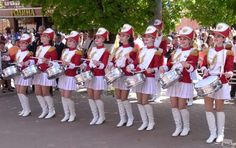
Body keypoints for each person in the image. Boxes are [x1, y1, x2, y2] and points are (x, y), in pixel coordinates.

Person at [160, 26, 199, 137]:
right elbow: (169, 64)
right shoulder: (176, 51)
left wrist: (187, 65)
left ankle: (186, 127)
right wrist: (164, 68)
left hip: (184, 81)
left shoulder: (194, 51)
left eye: (185, 39)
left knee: (182, 105)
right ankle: (178, 127)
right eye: (181, 39)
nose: (182, 41)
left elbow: (193, 67)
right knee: (173, 105)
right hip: (173, 81)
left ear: (190, 41)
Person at [201, 23, 234, 143]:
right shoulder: (208, 50)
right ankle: (212, 133)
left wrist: (229, 73)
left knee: (219, 108)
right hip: (208, 80)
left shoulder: (228, 52)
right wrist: (204, 69)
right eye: (215, 35)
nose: (216, 38)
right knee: (208, 108)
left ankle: (220, 133)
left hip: (220, 81)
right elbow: (204, 64)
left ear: (224, 38)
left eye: (219, 36)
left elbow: (230, 67)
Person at [127, 25, 163, 131]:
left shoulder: (158, 51)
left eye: (149, 36)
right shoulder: (141, 49)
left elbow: (158, 66)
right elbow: (136, 62)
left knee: (145, 101)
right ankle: (144, 122)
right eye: (145, 37)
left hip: (149, 78)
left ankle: (151, 122)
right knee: (139, 101)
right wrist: (131, 66)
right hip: (139, 77)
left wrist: (152, 70)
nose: (146, 39)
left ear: (154, 38)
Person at [109, 24, 137, 127]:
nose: (120, 37)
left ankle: (130, 117)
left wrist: (129, 60)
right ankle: (122, 118)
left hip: (126, 76)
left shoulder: (133, 49)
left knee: (124, 97)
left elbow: (135, 63)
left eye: (123, 35)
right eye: (120, 35)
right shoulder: (118, 49)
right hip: (117, 75)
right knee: (118, 97)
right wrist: (111, 65)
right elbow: (113, 60)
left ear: (128, 37)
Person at [85, 27, 110, 125]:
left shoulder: (105, 51)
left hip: (99, 76)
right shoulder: (92, 49)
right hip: (90, 75)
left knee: (96, 97)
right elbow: (88, 61)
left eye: (99, 38)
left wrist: (98, 63)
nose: (96, 39)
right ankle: (95, 116)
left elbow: (103, 65)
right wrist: (85, 65)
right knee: (90, 97)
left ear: (103, 39)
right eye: (96, 37)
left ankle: (102, 116)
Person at [32, 28, 58, 119]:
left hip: (46, 73)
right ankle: (44, 110)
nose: (42, 37)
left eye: (45, 36)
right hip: (38, 72)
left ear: (49, 38)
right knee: (37, 92)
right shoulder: (39, 48)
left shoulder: (52, 49)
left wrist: (47, 62)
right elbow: (36, 60)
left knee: (45, 92)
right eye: (42, 36)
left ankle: (51, 110)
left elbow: (55, 63)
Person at [58, 31, 82, 122]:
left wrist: (67, 63)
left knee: (67, 96)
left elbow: (75, 65)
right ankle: (66, 114)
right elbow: (61, 61)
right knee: (62, 95)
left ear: (76, 42)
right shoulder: (64, 50)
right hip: (62, 75)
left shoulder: (77, 52)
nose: (69, 42)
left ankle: (72, 114)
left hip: (70, 76)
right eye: (68, 40)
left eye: (71, 41)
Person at [10, 34, 34, 117]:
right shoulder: (18, 52)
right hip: (18, 74)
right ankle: (24, 109)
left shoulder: (29, 53)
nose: (22, 44)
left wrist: (27, 63)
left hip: (24, 74)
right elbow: (14, 60)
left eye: (24, 43)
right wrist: (8, 58)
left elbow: (32, 62)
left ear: (27, 44)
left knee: (22, 92)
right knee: (18, 92)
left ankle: (28, 109)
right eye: (21, 43)